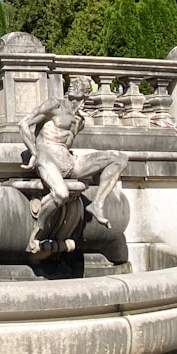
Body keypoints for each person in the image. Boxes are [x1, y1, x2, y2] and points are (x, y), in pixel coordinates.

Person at [17, 75, 128, 253]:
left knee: (119, 159)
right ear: (73, 93)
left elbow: (67, 144)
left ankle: (97, 204)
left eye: (83, 98)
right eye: (79, 97)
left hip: (68, 160)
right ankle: (38, 230)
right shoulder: (55, 105)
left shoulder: (80, 121)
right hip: (47, 155)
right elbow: (23, 124)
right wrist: (34, 153)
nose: (80, 102)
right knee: (61, 193)